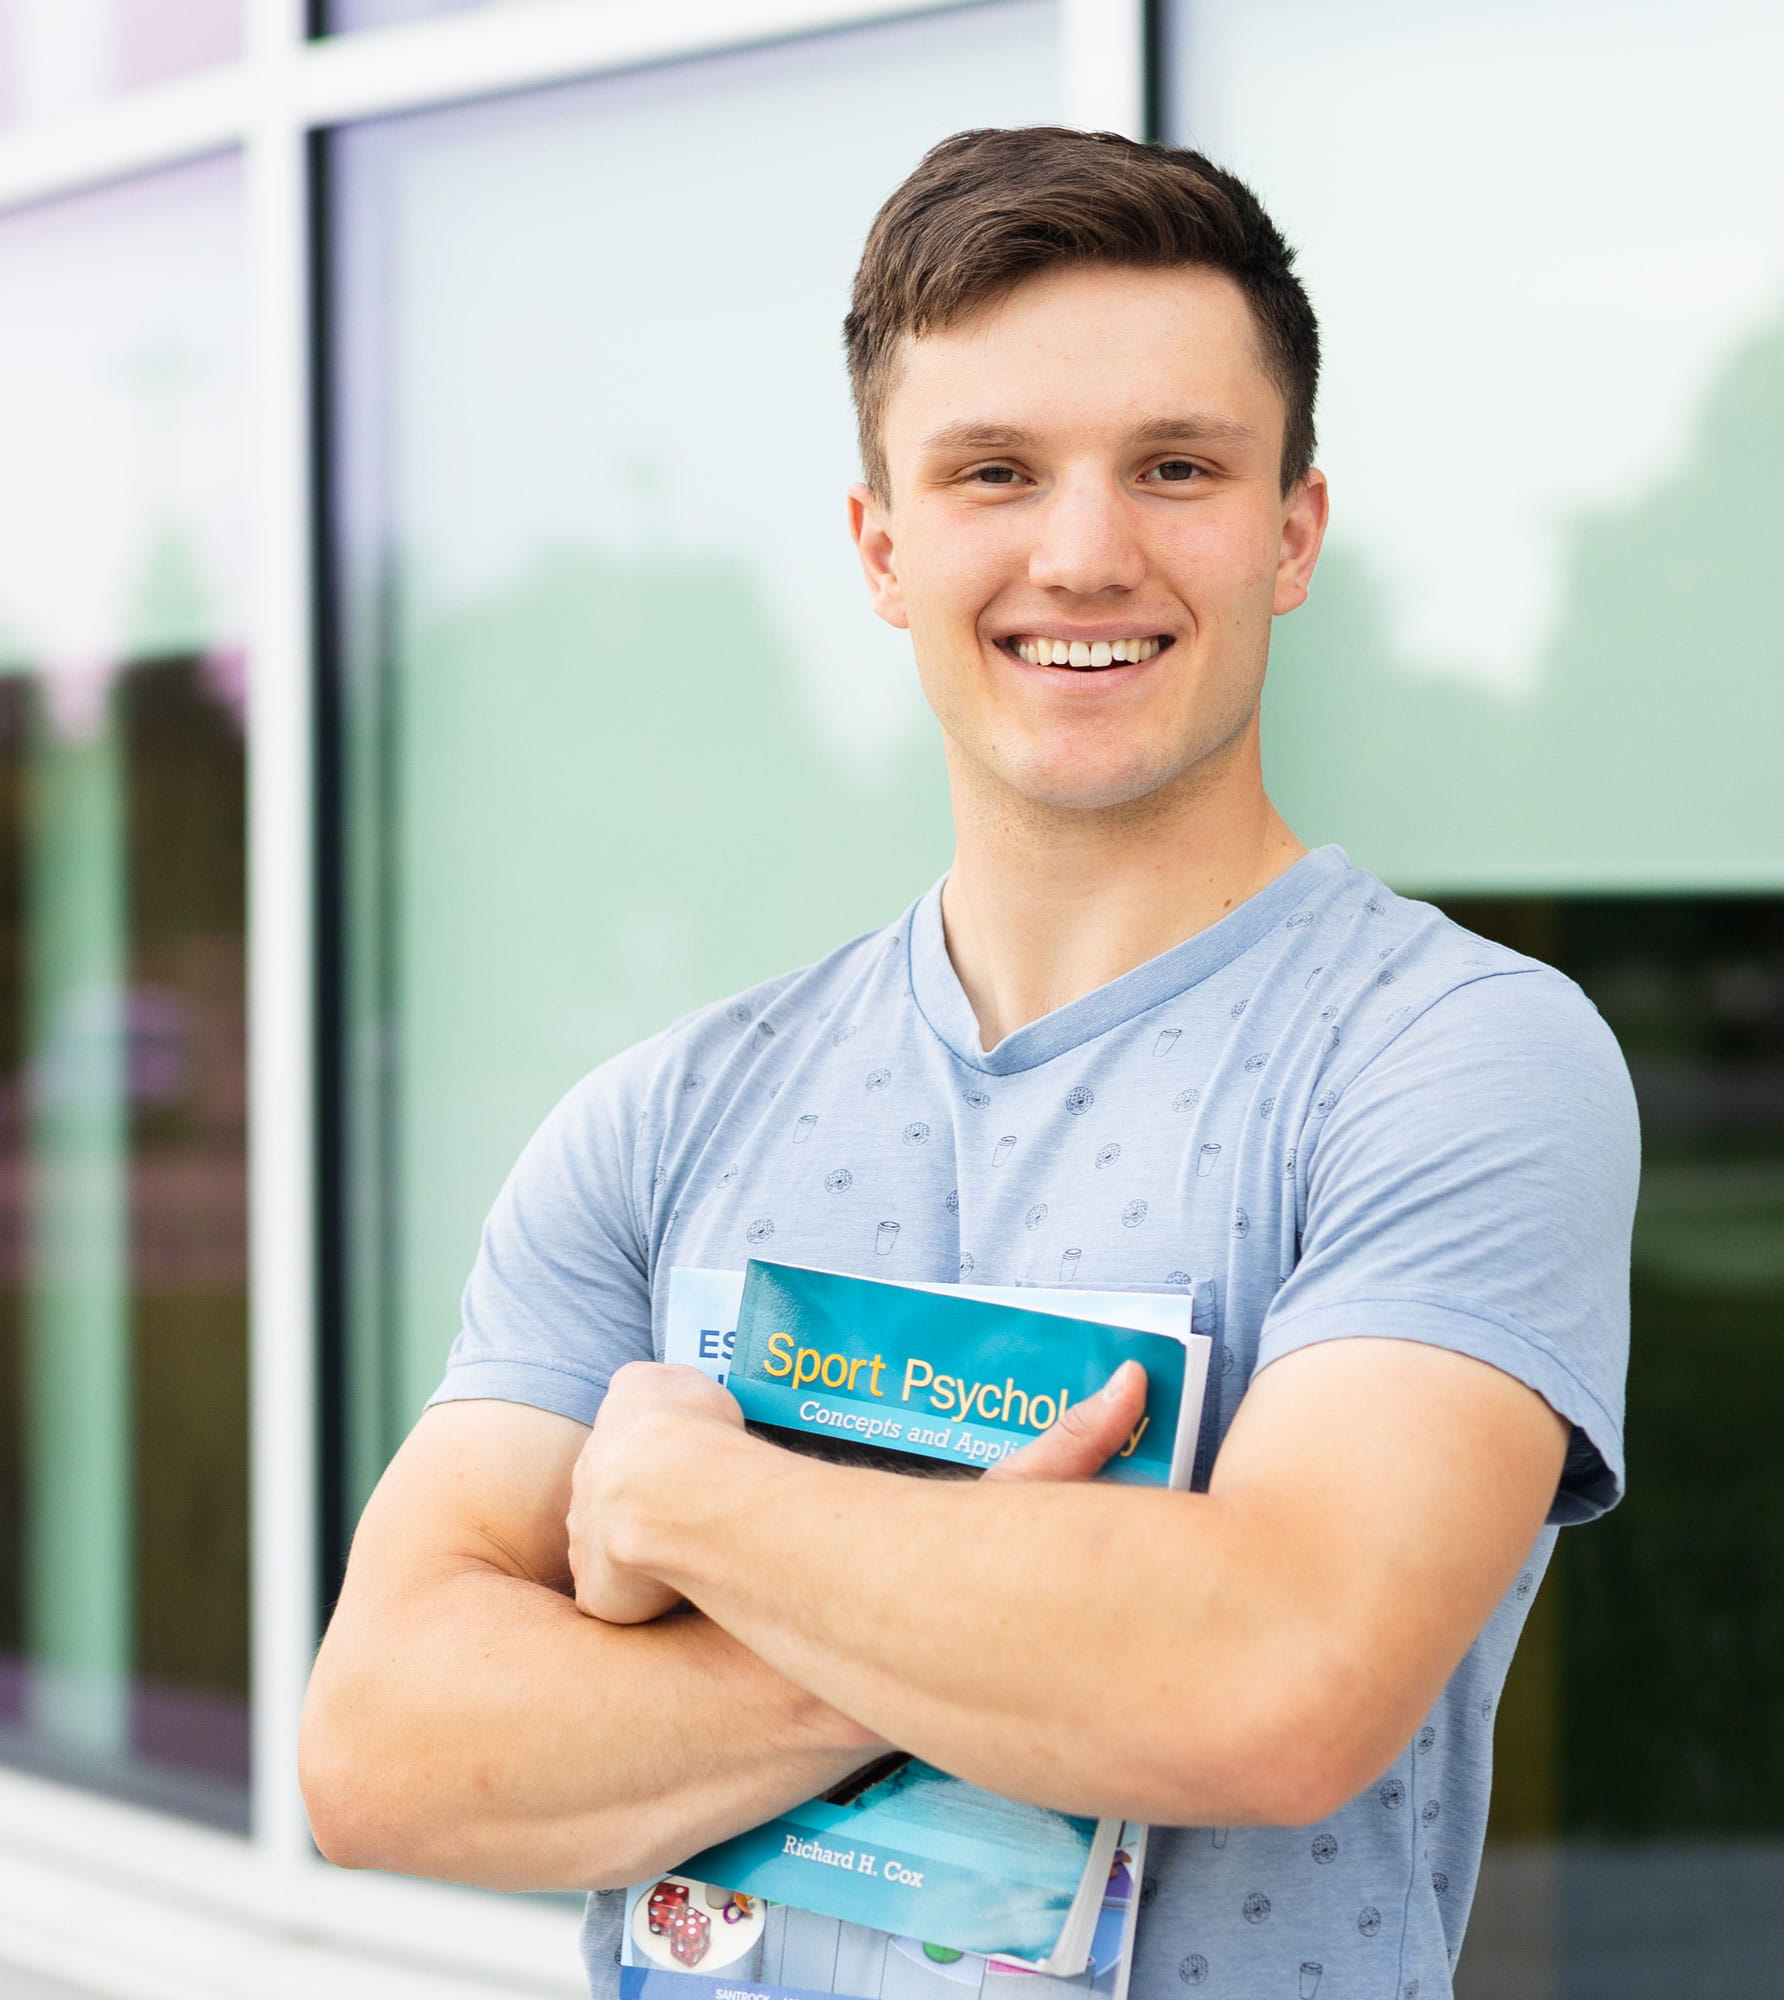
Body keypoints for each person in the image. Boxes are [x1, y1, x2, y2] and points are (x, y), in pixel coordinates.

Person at [299, 128, 1635, 2000]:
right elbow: (385, 1753)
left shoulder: (1450, 1060)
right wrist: (1014, 1627)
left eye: (1177, 467)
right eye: (992, 472)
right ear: (883, 545)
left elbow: (1271, 1690)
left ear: (1292, 532)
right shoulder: (668, 1116)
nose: (1084, 551)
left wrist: (696, 1511)